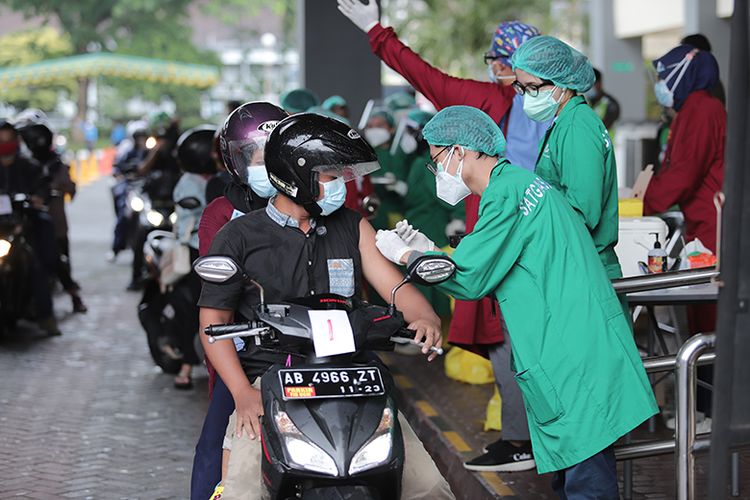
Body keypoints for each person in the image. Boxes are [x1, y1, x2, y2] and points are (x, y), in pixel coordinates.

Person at [375, 105, 657, 499]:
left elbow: (469, 279)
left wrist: (406, 257)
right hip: (575, 343)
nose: (438, 170)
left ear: (463, 151)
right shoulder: (520, 185)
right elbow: (486, 255)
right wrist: (429, 249)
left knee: (586, 481)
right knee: (574, 471)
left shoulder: (505, 194)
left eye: (438, 159)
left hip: (569, 353)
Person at [338, 0, 548, 471]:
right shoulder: (562, 115)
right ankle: (536, 439)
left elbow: (423, 75)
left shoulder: (492, 106)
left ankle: (525, 441)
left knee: (507, 341)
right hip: (535, 243)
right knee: (525, 341)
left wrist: (422, 256)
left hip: (500, 242)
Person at [197, 113, 454, 499]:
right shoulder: (239, 236)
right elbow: (212, 321)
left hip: (355, 382)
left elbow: (394, 285)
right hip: (268, 383)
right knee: (239, 492)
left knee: (430, 488)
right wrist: (242, 393)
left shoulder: (351, 225)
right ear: (297, 176)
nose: (341, 186)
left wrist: (424, 316)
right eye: (332, 175)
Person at [190, 101, 289, 500]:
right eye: (255, 157)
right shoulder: (221, 215)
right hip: (244, 352)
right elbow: (217, 298)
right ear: (236, 161)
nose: (266, 166)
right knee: (214, 451)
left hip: (310, 350)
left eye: (275, 155)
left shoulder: (317, 205)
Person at [645, 44, 725, 422]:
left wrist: (642, 202)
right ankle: (704, 409)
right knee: (700, 321)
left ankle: (710, 412)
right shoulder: (694, 109)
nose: (660, 85)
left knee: (708, 324)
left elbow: (683, 173)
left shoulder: (700, 108)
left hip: (713, 228)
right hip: (704, 224)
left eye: (663, 76)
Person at [511, 35, 622, 282]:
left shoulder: (577, 126)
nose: (526, 97)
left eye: (533, 88)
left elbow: (582, 212)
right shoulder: (563, 122)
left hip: (586, 265)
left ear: (561, 82)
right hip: (572, 259)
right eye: (521, 88)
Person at [16, 117, 87, 313]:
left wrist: (47, 193)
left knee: (55, 257)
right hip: (18, 220)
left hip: (49, 219)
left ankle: (73, 295)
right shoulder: (19, 163)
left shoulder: (53, 164)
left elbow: (67, 187)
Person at [0, 121, 61, 335]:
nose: (5, 145)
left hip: (22, 226)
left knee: (37, 265)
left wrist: (38, 199)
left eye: (8, 140)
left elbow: (43, 188)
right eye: (1, 140)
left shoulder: (30, 167)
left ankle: (46, 316)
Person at [169, 125, 217, 389]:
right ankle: (187, 364)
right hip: (193, 250)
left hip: (211, 249)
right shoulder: (191, 182)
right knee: (190, 308)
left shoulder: (215, 177)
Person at [364, 108, 410, 231]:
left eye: (379, 125)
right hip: (370, 214)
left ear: (392, 129)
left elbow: (415, 188)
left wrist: (400, 186)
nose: (374, 130)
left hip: (395, 212)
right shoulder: (365, 154)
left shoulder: (398, 154)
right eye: (370, 126)